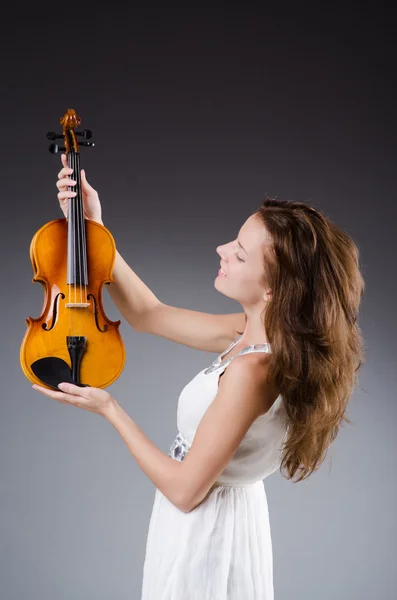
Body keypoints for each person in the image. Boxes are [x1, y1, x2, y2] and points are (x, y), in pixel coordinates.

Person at [33, 153, 365, 599]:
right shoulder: (250, 334)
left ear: (274, 287)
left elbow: (186, 490)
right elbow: (148, 315)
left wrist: (110, 409)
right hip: (218, 517)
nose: (222, 250)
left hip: (208, 529)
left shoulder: (253, 369)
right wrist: (95, 229)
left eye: (240, 253)